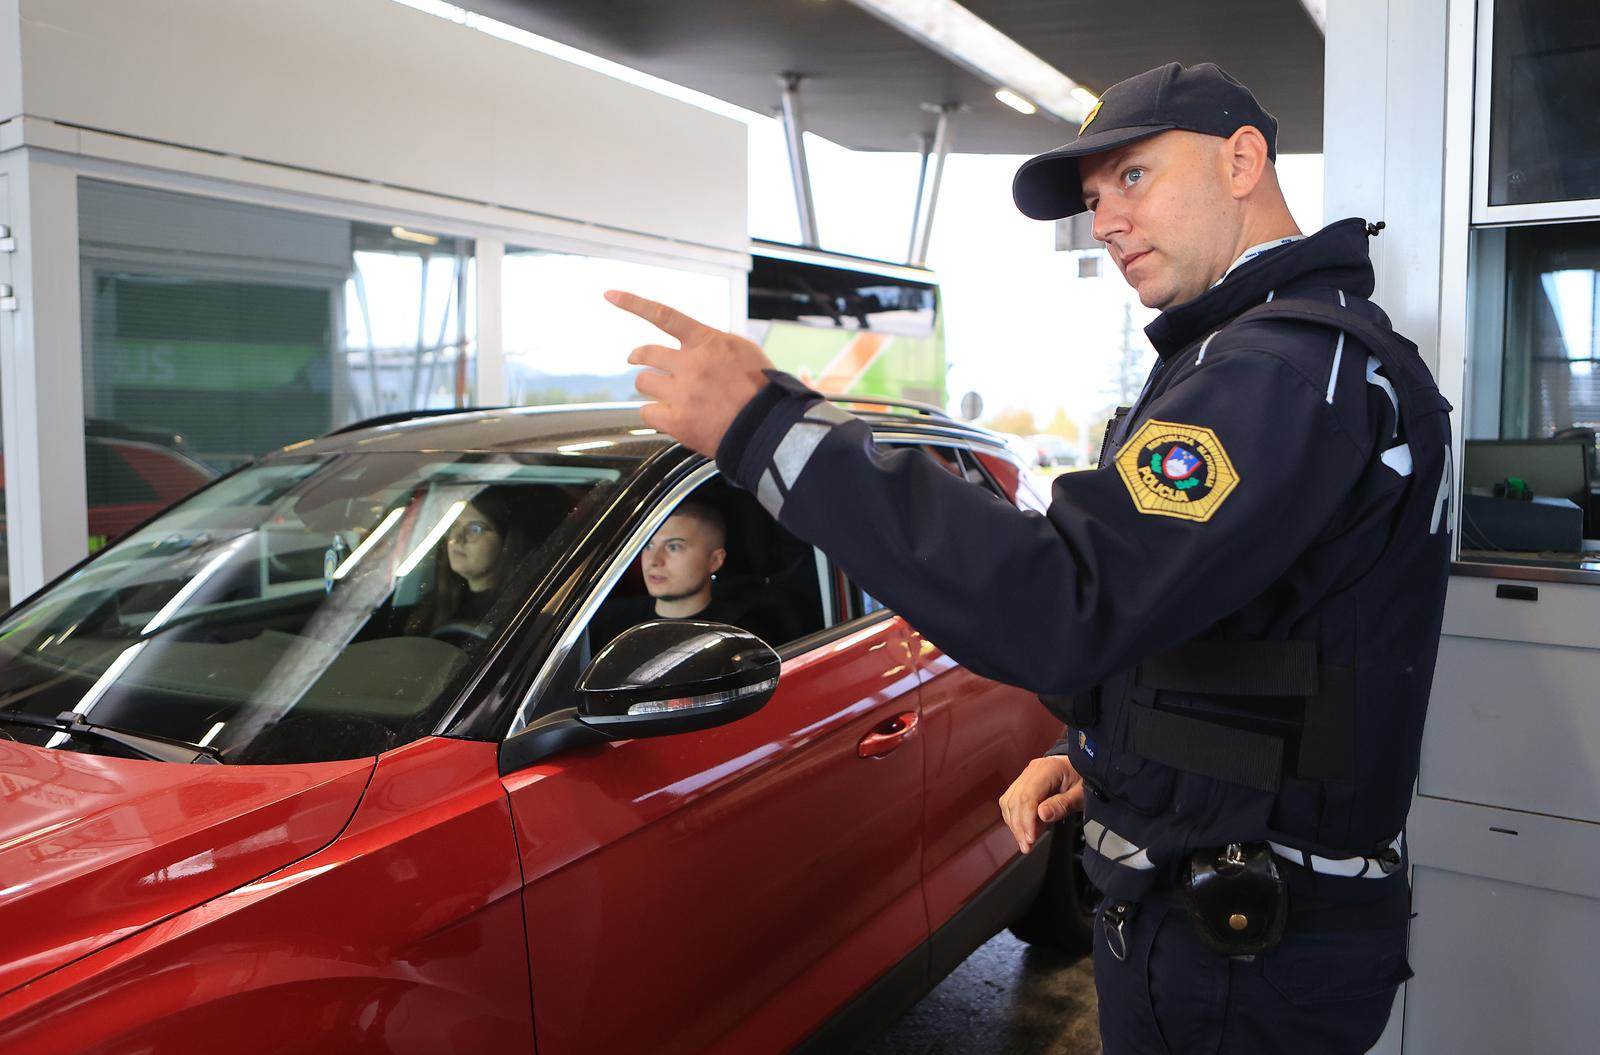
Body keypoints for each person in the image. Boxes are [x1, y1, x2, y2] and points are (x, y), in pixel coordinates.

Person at [605, 60, 1452, 1054]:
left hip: (1238, 957)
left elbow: (1068, 600)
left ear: (1242, 159)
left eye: (1131, 177)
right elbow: (1226, 626)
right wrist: (1104, 760)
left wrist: (768, 432)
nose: (1105, 220)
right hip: (1239, 916)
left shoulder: (1272, 371)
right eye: (1093, 199)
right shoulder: (1299, 358)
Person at [590, 499, 788, 647]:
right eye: (648, 545)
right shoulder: (608, 621)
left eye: (674, 547)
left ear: (714, 561)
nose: (654, 560)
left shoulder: (739, 633)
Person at [408, 486, 536, 637]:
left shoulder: (517, 611)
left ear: (506, 542)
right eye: (454, 526)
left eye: (475, 529)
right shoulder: (436, 603)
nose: (457, 538)